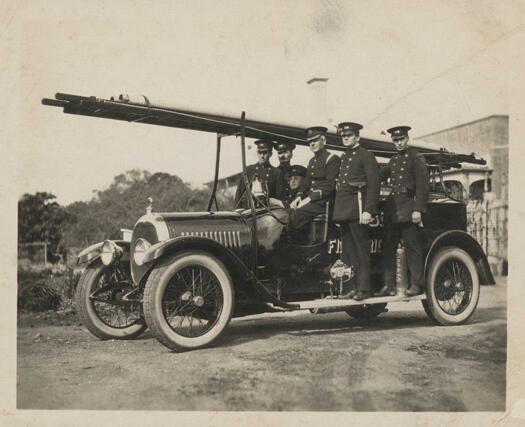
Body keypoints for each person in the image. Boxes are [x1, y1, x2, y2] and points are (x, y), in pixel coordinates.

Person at [376, 126, 429, 297]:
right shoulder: (393, 161)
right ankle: (389, 285)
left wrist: (418, 209)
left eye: (401, 139)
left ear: (407, 138)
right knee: (388, 248)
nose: (398, 143)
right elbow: (378, 176)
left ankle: (416, 284)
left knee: (412, 247)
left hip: (408, 208)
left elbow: (422, 185)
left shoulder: (416, 157)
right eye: (395, 141)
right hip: (393, 210)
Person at [332, 122, 380, 300]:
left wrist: (368, 210)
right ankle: (350, 288)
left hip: (358, 210)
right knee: (347, 251)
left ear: (357, 137)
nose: (346, 138)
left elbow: (374, 184)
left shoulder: (366, 155)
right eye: (344, 136)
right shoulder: (345, 157)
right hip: (345, 211)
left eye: (349, 135)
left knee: (361, 250)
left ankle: (364, 289)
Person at [290, 126, 341, 230]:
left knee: (297, 214)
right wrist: (299, 197)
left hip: (323, 202)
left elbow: (329, 187)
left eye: (315, 140)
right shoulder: (312, 161)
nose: (312, 144)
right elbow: (306, 184)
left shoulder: (332, 159)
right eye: (310, 142)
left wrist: (309, 198)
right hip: (312, 201)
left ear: (324, 140)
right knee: (288, 210)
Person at [234, 139, 284, 209]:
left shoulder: (276, 173)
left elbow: (279, 198)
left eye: (265, 153)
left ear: (270, 154)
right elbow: (239, 195)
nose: (262, 156)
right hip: (249, 211)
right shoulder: (248, 170)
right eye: (260, 152)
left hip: (267, 212)